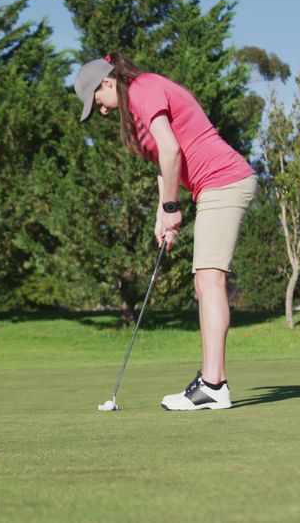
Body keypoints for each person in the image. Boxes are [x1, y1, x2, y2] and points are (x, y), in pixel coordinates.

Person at [74, 53, 257, 411]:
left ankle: (213, 385)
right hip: (214, 186)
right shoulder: (138, 108)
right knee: (204, 281)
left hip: (224, 180)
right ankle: (210, 380)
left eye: (98, 102)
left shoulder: (143, 88)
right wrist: (163, 212)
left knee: (209, 280)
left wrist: (173, 208)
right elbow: (163, 162)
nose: (104, 112)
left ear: (107, 83)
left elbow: (172, 151)